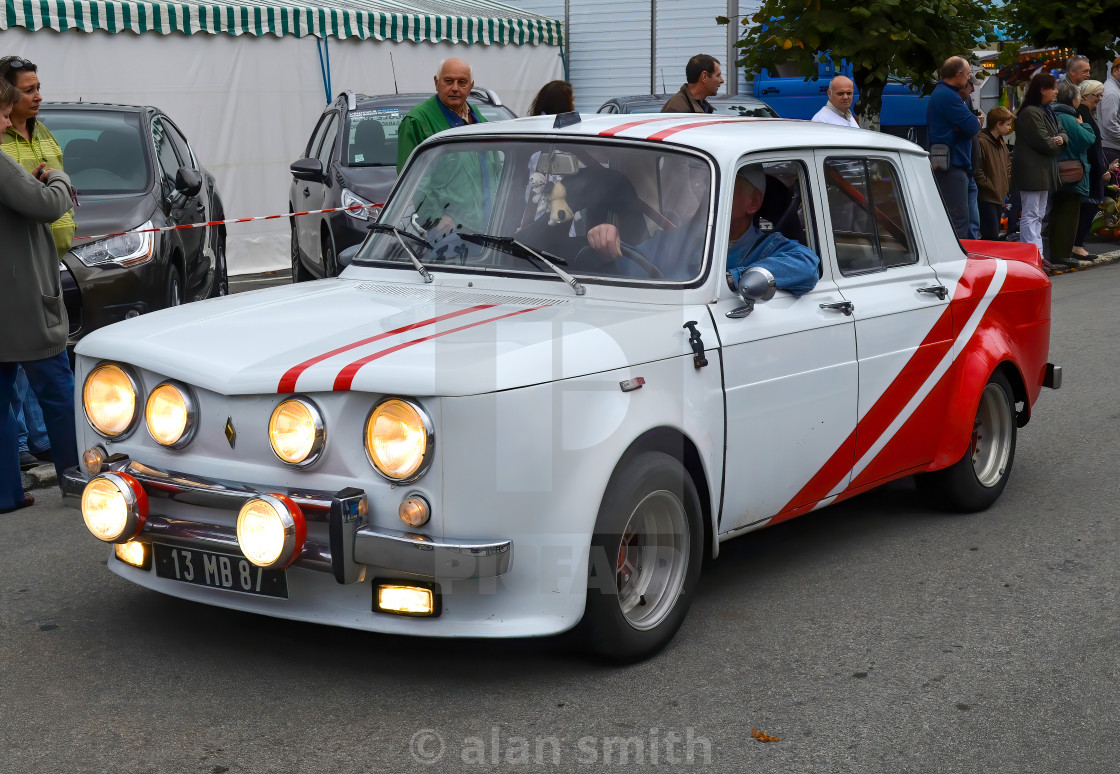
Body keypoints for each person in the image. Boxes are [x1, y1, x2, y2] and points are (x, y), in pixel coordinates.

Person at [0, 78, 80, 513]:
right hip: (25, 301)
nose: (5, 122)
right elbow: (49, 205)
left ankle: (6, 493)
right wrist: (58, 177)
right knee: (57, 392)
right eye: (1, 114)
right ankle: (78, 479)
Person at [725, 168, 819, 295]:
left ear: (753, 202)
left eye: (725, 190)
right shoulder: (699, 242)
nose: (709, 197)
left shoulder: (768, 246)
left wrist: (734, 278)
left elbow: (807, 266)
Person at [1011, 73, 1067, 267]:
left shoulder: (1047, 110)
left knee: (1039, 213)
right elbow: (1046, 143)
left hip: (1042, 169)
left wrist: (1060, 139)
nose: (1056, 91)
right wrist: (1058, 141)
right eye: (1053, 87)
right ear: (1042, 90)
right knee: (1031, 213)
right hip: (1032, 170)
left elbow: (1062, 133)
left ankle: (1038, 254)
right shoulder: (1030, 113)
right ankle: (1031, 255)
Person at [396, 58, 486, 173]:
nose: (455, 88)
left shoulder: (478, 117)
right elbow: (410, 178)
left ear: (471, 86)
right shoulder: (416, 122)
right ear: (436, 82)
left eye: (462, 82)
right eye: (448, 81)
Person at [927, 56, 981, 239]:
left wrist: (963, 125)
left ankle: (969, 251)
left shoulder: (948, 94)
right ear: (958, 74)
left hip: (959, 163)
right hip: (953, 164)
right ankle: (959, 256)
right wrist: (968, 123)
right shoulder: (948, 96)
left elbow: (969, 125)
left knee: (968, 219)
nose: (968, 78)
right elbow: (973, 126)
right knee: (959, 219)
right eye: (968, 74)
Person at [1050, 81, 1097, 268]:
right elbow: (1088, 139)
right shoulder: (1069, 117)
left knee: (1058, 214)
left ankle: (1060, 253)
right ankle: (1062, 255)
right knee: (1068, 216)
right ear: (1073, 100)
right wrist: (1084, 125)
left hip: (1057, 170)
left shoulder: (1053, 113)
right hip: (1071, 172)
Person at [1074, 79, 1108, 257]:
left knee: (1087, 208)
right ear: (1086, 96)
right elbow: (1092, 145)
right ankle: (1077, 244)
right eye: (1098, 95)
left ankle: (1077, 243)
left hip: (1090, 167)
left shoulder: (1085, 113)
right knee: (1088, 207)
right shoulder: (1083, 114)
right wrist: (1102, 169)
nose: (1100, 99)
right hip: (1090, 169)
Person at [974, 106, 1013, 240]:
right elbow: (978, 169)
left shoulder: (1001, 143)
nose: (1009, 128)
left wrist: (1006, 185)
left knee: (994, 232)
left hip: (998, 195)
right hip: (987, 196)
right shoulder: (982, 141)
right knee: (990, 234)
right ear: (998, 124)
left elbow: (1008, 165)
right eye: (1007, 124)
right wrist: (989, 186)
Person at [1099, 57, 1120, 166]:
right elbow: (1110, 124)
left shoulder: (1115, 89)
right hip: (1112, 149)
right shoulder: (1112, 92)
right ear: (1115, 70)